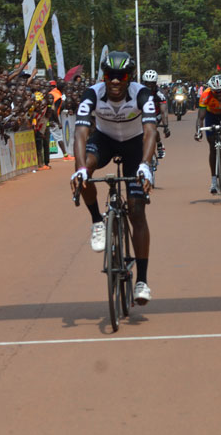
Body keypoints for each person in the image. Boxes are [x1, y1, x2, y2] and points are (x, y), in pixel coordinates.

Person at [69, 51, 157, 305]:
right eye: (110, 76)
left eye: (121, 76)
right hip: (105, 140)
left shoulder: (142, 94)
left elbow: (150, 131)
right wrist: (79, 169)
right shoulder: (91, 94)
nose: (115, 81)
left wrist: (145, 165)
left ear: (129, 77)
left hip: (134, 145)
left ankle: (142, 280)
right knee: (85, 169)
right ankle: (97, 221)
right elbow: (81, 134)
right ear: (103, 77)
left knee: (137, 211)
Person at [141, 69, 170, 159]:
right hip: (142, 113)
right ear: (144, 82)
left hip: (156, 114)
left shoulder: (160, 93)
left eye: (152, 83)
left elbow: (164, 111)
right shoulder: (140, 91)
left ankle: (159, 144)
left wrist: (166, 127)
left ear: (156, 83)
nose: (149, 85)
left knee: (152, 129)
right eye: (147, 83)